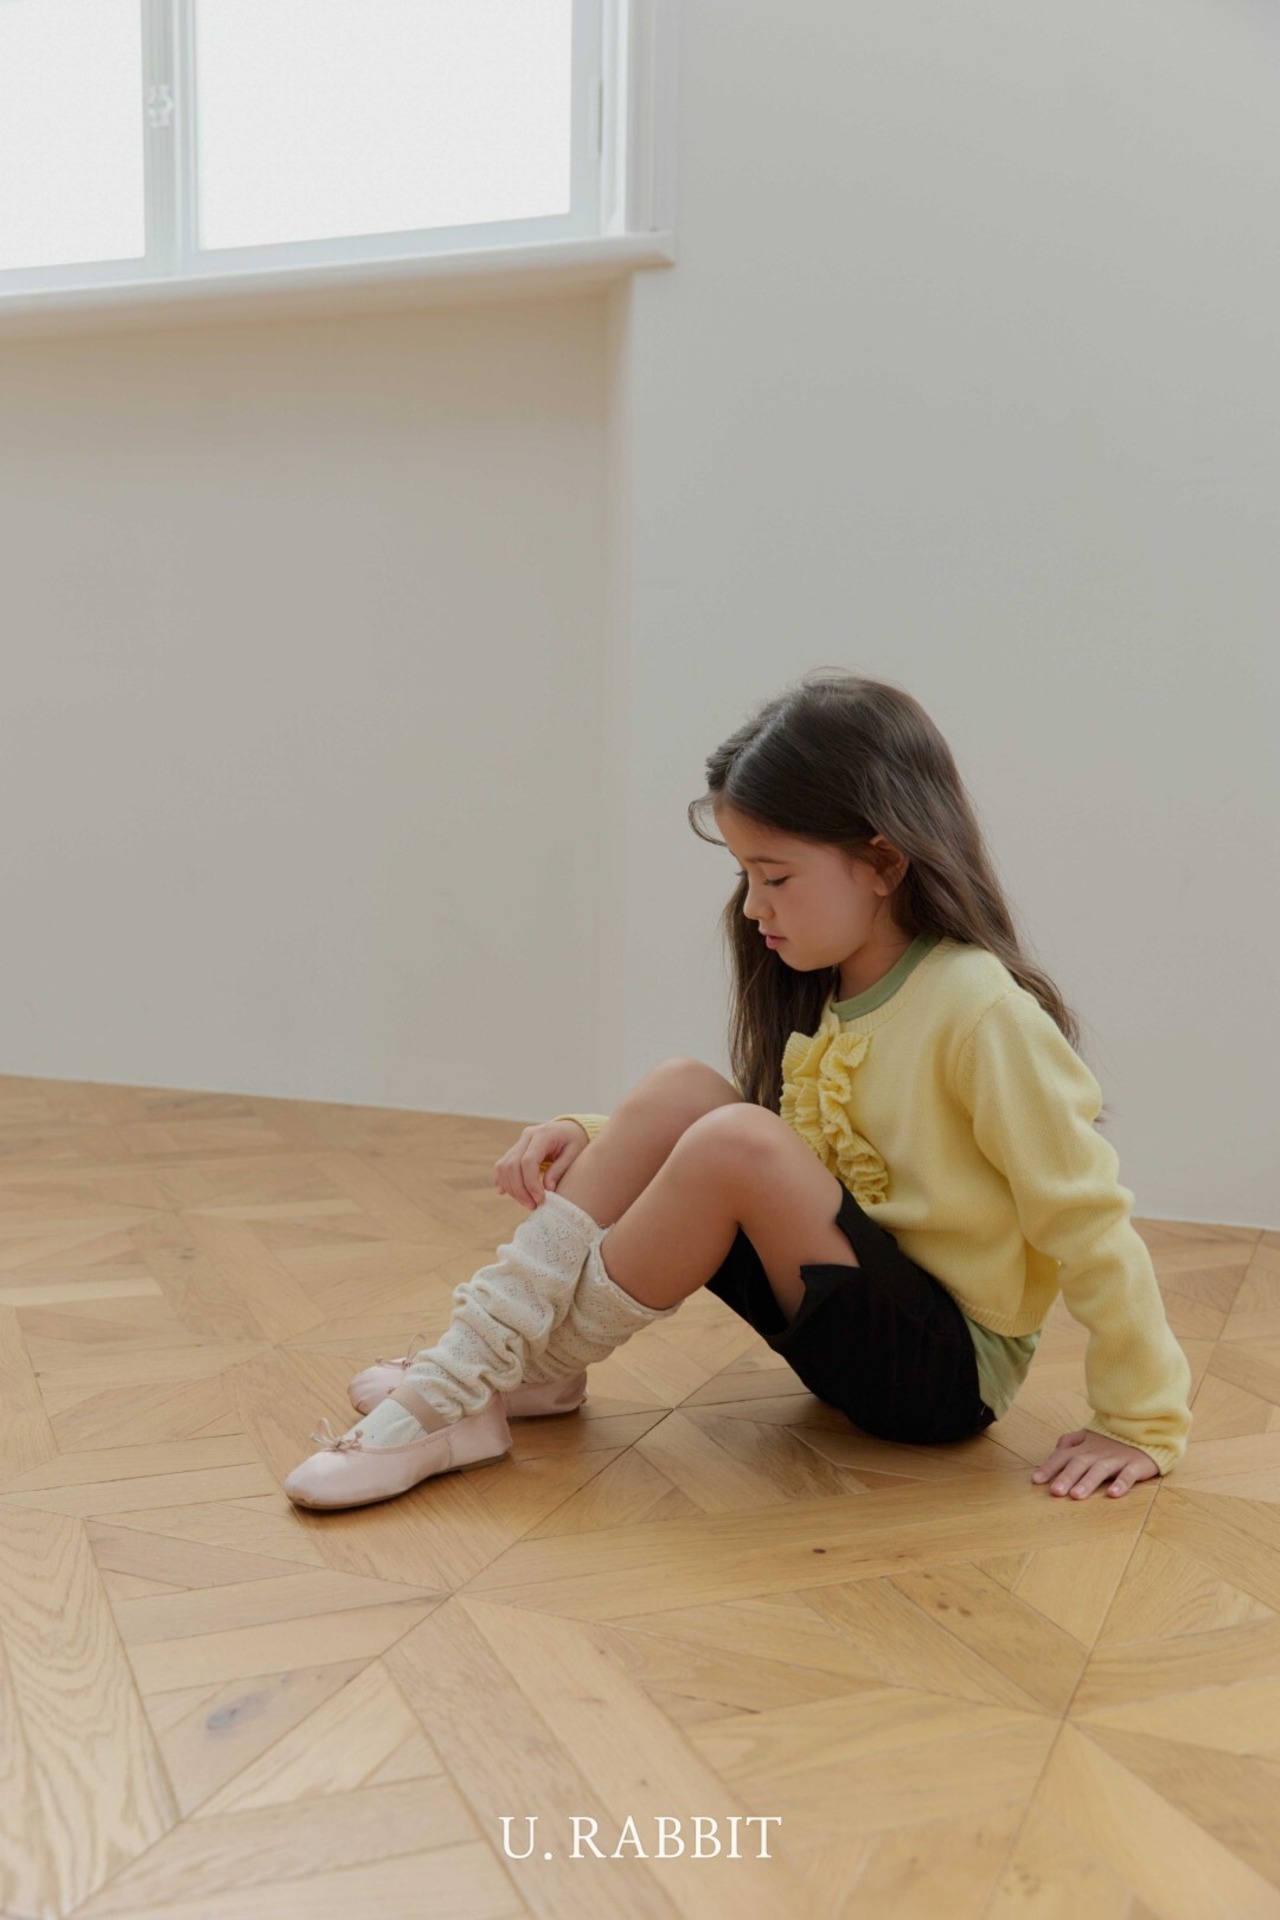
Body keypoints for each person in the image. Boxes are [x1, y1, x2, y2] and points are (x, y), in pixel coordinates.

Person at [283, 669, 1193, 1511]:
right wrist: (597, 1136)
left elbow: (1087, 1220)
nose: (754, 907)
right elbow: (797, 1143)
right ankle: (515, 1374)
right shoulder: (828, 985)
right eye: (745, 876)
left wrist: (1140, 1420)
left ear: (884, 862)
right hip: (852, 1317)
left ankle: (463, 1387)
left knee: (733, 1139)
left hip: (943, 1376)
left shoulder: (980, 1010)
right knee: (683, 1089)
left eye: (776, 877)